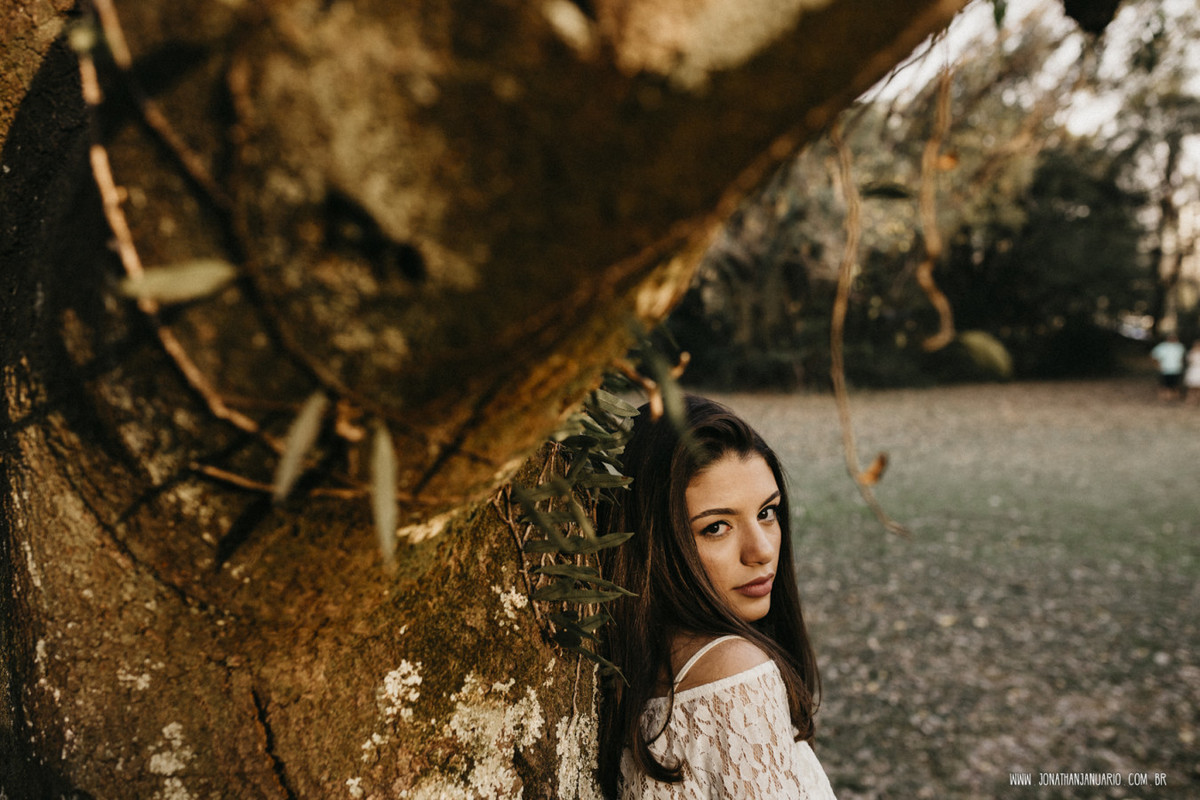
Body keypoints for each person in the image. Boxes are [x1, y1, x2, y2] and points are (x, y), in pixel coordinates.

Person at [597, 395, 836, 799]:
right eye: (716, 527)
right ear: (651, 541)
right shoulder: (735, 676)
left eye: (766, 513)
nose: (760, 550)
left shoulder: (633, 672)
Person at [1150, 333, 1186, 401]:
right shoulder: (1162, 347)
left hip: (1176, 369)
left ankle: (1174, 397)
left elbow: (1182, 357)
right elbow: (1154, 356)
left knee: (1175, 384)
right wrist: (1157, 365)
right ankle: (1165, 397)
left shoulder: (1180, 346)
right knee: (1164, 384)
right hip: (1165, 369)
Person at [1184, 340, 1200, 405]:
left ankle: (1194, 401)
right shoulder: (1191, 353)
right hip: (1193, 371)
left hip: (1195, 371)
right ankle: (1191, 401)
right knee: (1192, 388)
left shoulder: (1191, 353)